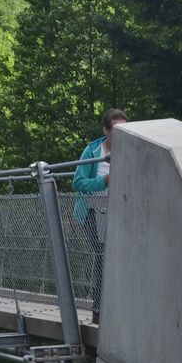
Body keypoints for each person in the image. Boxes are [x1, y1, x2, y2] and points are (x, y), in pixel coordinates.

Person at [72, 109, 127, 325]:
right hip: (93, 212)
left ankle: (118, 309)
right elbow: (78, 183)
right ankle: (98, 311)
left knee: (123, 258)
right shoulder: (92, 150)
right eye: (118, 129)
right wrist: (105, 181)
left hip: (120, 211)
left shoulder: (132, 148)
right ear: (106, 131)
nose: (123, 133)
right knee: (103, 256)